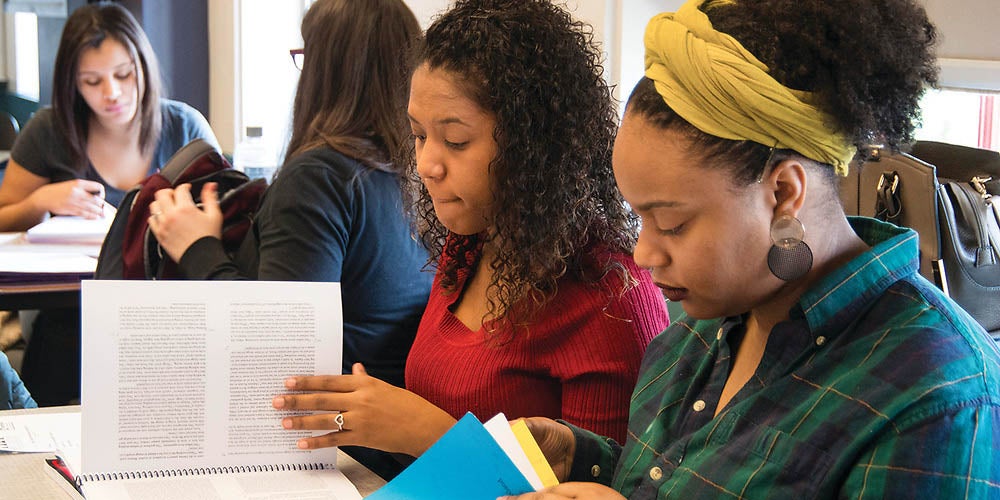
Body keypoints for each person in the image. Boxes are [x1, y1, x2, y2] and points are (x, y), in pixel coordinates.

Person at [503, 0, 1000, 498]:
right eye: (640, 218)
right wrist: (584, 459)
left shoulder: (935, 400)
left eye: (672, 224)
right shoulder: (694, 335)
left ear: (783, 192)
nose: (643, 253)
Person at [272, 0, 670, 466]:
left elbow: (603, 487)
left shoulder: (608, 296)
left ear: (533, 146)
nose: (425, 165)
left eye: (456, 141)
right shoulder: (470, 246)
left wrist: (426, 433)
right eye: (419, 135)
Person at [147, 0, 429, 391]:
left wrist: (197, 247)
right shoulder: (419, 171)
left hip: (332, 430)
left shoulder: (320, 178)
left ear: (321, 70)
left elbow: (277, 341)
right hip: (395, 413)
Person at [0, 2, 219, 406]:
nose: (112, 93)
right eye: (92, 81)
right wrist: (40, 201)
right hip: (71, 315)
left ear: (144, 67)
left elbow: (223, 218)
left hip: (168, 315)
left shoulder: (184, 126)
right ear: (72, 84)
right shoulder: (49, 130)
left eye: (123, 75)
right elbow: (3, 216)